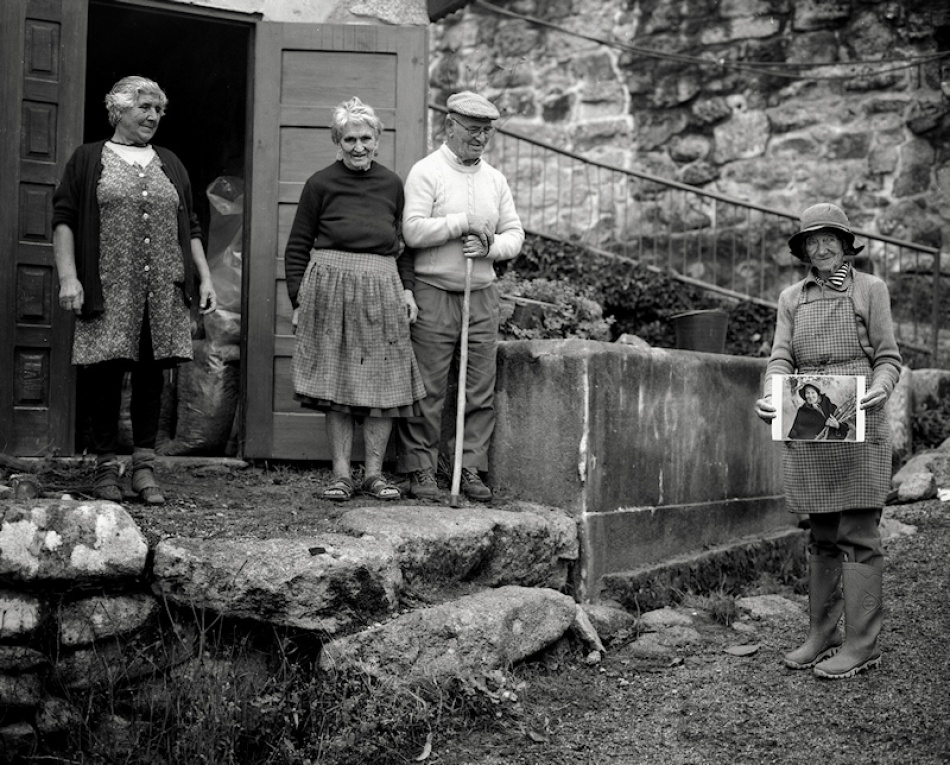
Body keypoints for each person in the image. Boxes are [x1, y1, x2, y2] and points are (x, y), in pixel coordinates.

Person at [52, 76, 216, 506]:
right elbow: (65, 219)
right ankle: (106, 466)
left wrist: (204, 277)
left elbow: (191, 226)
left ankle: (144, 466)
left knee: (151, 375)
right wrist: (69, 277)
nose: (153, 116)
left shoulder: (169, 163)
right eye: (144, 107)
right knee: (103, 375)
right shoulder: (89, 159)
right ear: (118, 110)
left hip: (161, 288)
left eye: (158, 109)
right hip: (108, 285)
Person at [754, 203, 901, 679]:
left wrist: (881, 387)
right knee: (820, 534)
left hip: (860, 418)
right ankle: (823, 633)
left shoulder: (871, 289)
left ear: (845, 244)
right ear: (803, 250)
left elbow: (888, 358)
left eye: (829, 240)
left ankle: (862, 643)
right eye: (812, 241)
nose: (821, 248)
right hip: (811, 424)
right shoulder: (791, 298)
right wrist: (772, 393)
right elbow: (781, 359)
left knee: (857, 532)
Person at [284, 97, 425, 502]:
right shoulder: (320, 184)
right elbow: (297, 246)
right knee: (337, 384)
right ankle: (341, 475)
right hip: (330, 290)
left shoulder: (392, 184)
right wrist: (299, 301)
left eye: (365, 138)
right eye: (350, 139)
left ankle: (374, 475)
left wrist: (407, 289)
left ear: (377, 140)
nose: (358, 146)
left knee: (384, 383)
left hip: (382, 288)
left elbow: (405, 246)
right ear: (338, 142)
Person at [395, 91, 525, 501]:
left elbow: (514, 234)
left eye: (487, 131)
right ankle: (420, 470)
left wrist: (489, 248)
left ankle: (469, 468)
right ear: (450, 126)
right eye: (473, 129)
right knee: (428, 386)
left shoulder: (495, 180)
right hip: (434, 291)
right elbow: (412, 230)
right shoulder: (426, 172)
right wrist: (459, 223)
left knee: (479, 387)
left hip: (481, 294)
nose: (480, 138)